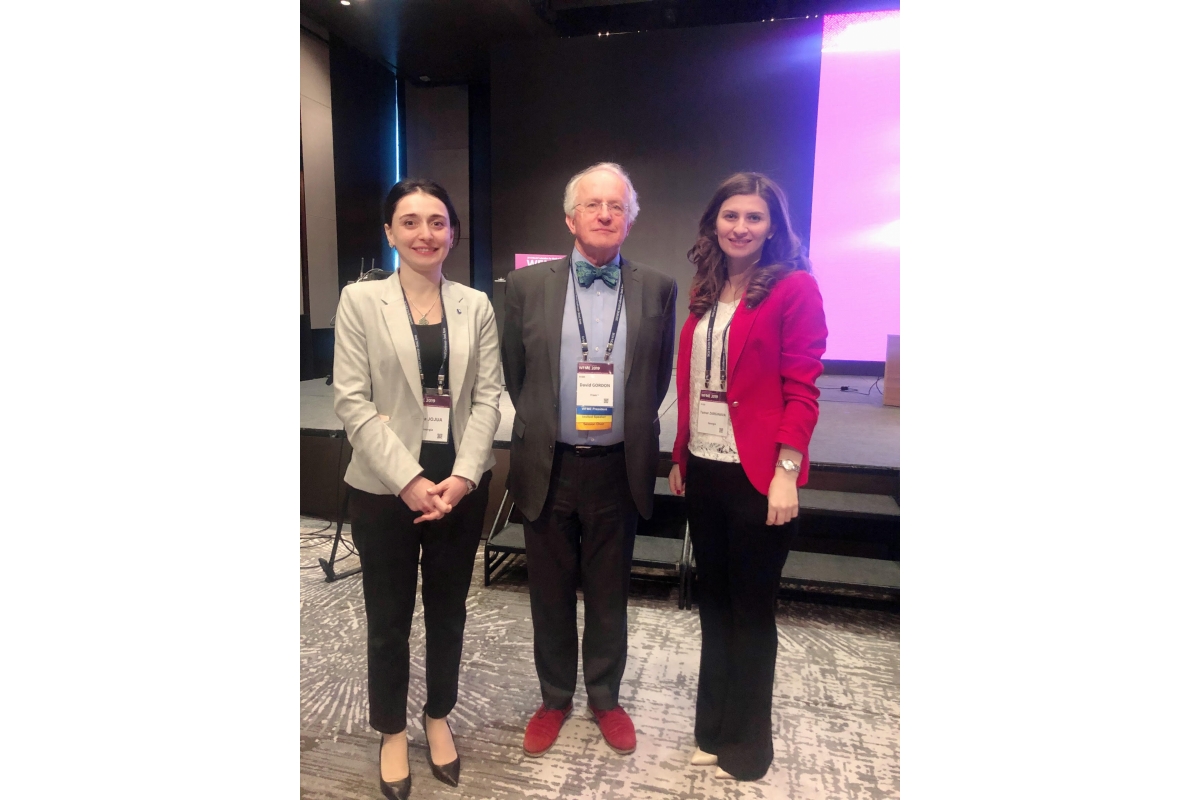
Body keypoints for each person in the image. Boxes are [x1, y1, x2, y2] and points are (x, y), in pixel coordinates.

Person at [501, 162, 677, 759]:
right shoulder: (526, 285)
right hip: (548, 463)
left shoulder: (658, 288)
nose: (605, 214)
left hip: (616, 467)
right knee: (548, 593)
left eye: (616, 206)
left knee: (609, 593)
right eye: (592, 205)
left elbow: (655, 378)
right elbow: (517, 373)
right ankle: (554, 698)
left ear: (630, 218)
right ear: (570, 218)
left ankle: (605, 696)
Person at [333, 178, 502, 800]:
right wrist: (407, 479)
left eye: (437, 222)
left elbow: (487, 398)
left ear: (452, 232)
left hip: (458, 488)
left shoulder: (475, 305)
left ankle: (437, 716)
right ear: (389, 232)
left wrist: (463, 475)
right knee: (388, 618)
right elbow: (351, 400)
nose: (425, 233)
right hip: (384, 490)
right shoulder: (360, 301)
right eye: (410, 221)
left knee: (449, 613)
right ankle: (391, 730)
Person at [668, 172, 828, 781]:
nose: (740, 227)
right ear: (714, 222)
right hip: (705, 468)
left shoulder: (794, 288)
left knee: (751, 611)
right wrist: (681, 455)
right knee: (713, 604)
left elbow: (802, 388)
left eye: (754, 217)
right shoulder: (707, 288)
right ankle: (711, 728)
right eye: (730, 215)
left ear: (772, 227)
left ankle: (748, 744)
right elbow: (694, 382)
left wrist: (787, 471)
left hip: (760, 475)